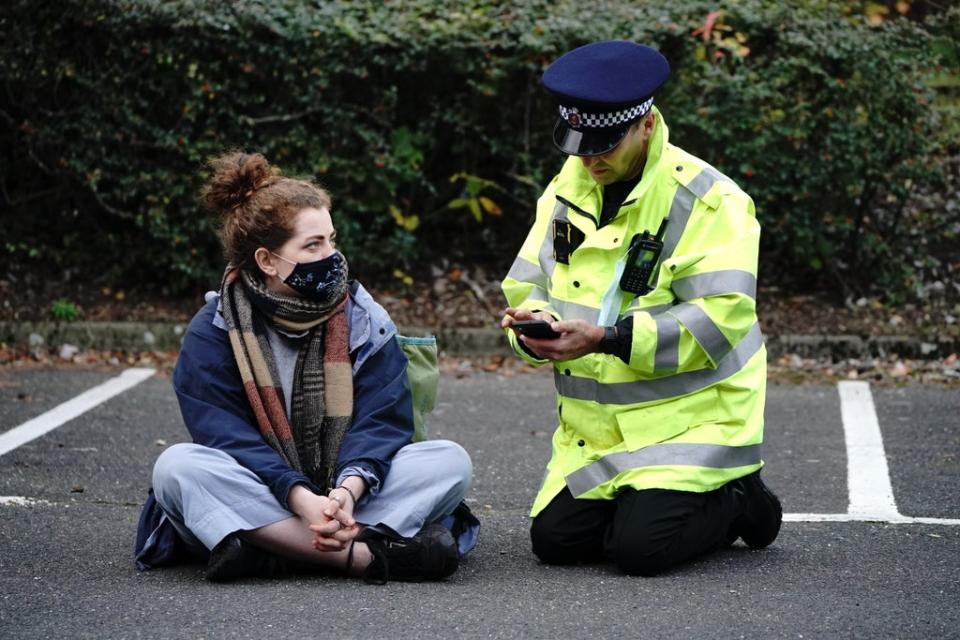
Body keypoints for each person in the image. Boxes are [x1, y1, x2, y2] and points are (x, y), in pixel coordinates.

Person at [500, 41, 782, 576]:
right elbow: (528, 284)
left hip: (696, 423)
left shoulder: (710, 201)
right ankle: (649, 502)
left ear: (646, 124)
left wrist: (606, 339)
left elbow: (720, 320)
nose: (588, 158)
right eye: (578, 143)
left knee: (639, 551)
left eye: (604, 144)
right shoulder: (569, 185)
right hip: (604, 432)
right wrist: (532, 330)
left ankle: (741, 497)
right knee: (554, 543)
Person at [135, 151, 477, 583]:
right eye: (313, 245)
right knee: (178, 468)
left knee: (449, 462)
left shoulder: (363, 317)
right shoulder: (216, 328)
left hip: (344, 493)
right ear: (267, 260)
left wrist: (346, 492)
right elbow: (224, 435)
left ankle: (267, 550)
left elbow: (383, 420)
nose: (331, 255)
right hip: (263, 488)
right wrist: (297, 495)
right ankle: (361, 556)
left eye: (332, 240)